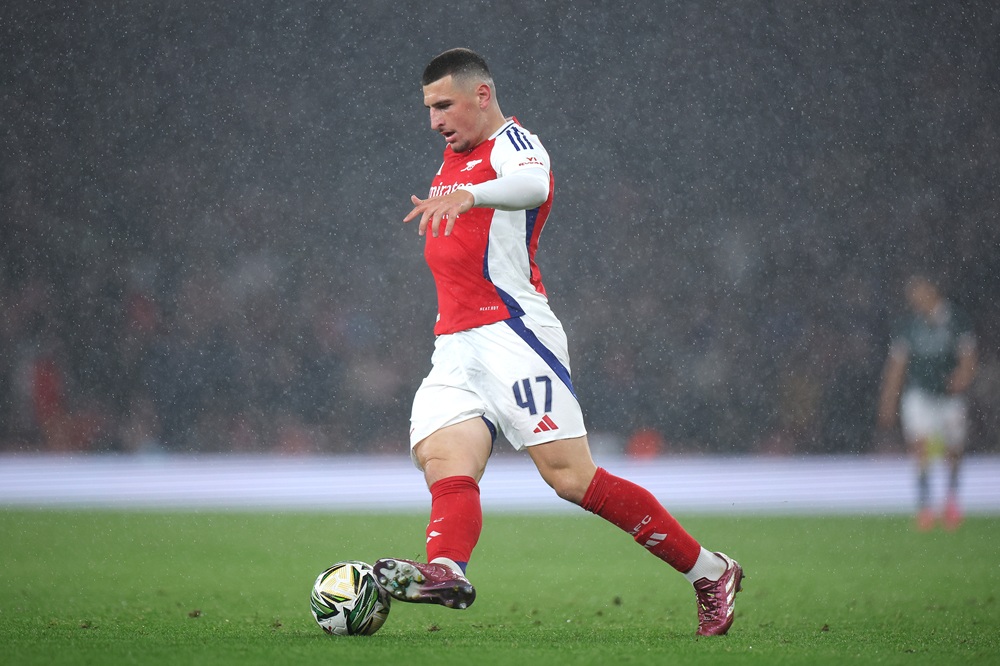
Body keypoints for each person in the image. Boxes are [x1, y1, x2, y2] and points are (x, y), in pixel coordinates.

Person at [373, 48, 743, 637]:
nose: (435, 120)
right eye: (429, 108)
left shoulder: (517, 145)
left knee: (571, 478)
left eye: (444, 105)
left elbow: (532, 184)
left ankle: (710, 571)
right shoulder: (455, 153)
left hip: (513, 333)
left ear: (482, 96)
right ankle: (445, 568)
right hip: (456, 345)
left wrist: (473, 195)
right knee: (445, 457)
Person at [878, 274, 977, 531]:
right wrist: (888, 400)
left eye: (918, 293)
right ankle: (925, 506)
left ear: (933, 291)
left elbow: (968, 356)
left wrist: (963, 376)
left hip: (949, 397)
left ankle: (952, 500)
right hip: (919, 394)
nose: (915, 299)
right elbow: (897, 365)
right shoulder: (909, 325)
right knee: (920, 447)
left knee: (953, 450)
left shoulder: (956, 320)